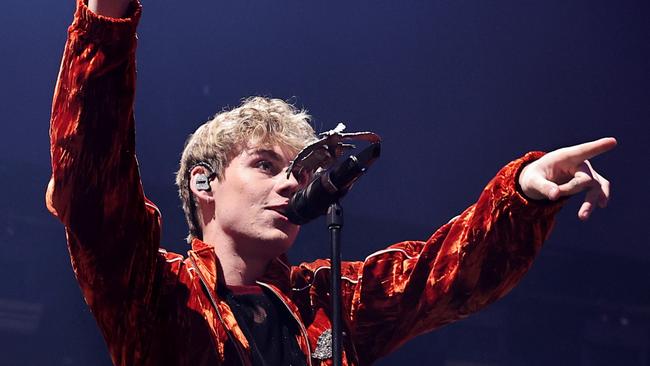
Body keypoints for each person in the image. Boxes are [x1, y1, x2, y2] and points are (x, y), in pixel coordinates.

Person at [46, 0, 616, 365]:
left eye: (299, 173)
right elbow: (96, 181)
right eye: (266, 166)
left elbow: (439, 277)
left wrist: (521, 191)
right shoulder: (156, 290)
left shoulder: (322, 301)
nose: (293, 186)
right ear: (204, 183)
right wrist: (106, 20)